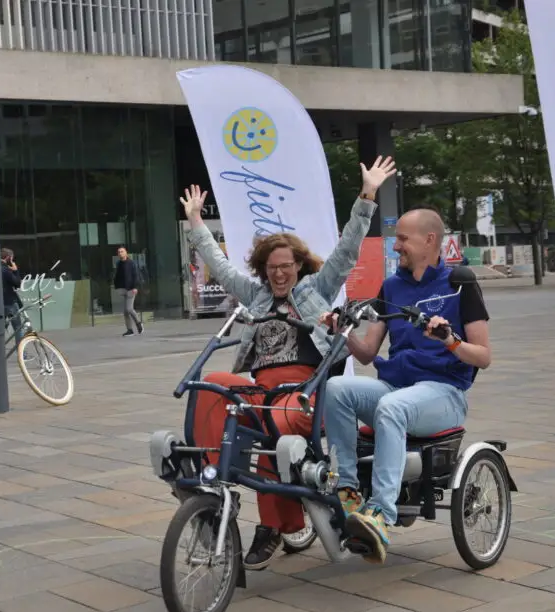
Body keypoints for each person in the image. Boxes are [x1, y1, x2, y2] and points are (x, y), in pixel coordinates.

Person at [180, 154, 396, 571]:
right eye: (271, 268)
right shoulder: (256, 295)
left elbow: (347, 251)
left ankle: (274, 525)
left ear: (298, 265)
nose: (279, 274)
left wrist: (367, 195)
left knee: (271, 431)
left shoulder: (318, 288)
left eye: (286, 267)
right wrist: (195, 221)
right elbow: (221, 268)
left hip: (304, 395)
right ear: (263, 271)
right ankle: (212, 483)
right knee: (213, 385)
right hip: (263, 391)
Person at [320, 208, 492, 564]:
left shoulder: (460, 282)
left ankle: (381, 514)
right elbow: (367, 354)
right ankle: (349, 489)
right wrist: (343, 331)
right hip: (397, 388)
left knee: (391, 408)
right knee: (337, 388)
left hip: (444, 392)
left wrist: (450, 340)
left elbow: (483, 356)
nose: (395, 246)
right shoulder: (392, 286)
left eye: (402, 239)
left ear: (429, 240)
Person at [113, 246, 144, 336]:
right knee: (125, 311)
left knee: (129, 308)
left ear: (126, 253)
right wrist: (117, 286)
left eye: (122, 251)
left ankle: (139, 324)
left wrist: (135, 287)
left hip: (131, 289)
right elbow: (117, 276)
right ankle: (129, 330)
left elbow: (135, 275)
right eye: (119, 252)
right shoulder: (119, 264)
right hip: (123, 289)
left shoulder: (131, 263)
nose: (120, 253)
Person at [0, 248, 25, 337]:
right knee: (18, 327)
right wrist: (15, 270)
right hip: (9, 302)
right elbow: (17, 283)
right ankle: (21, 350)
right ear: (9, 258)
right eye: (12, 258)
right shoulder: (5, 270)